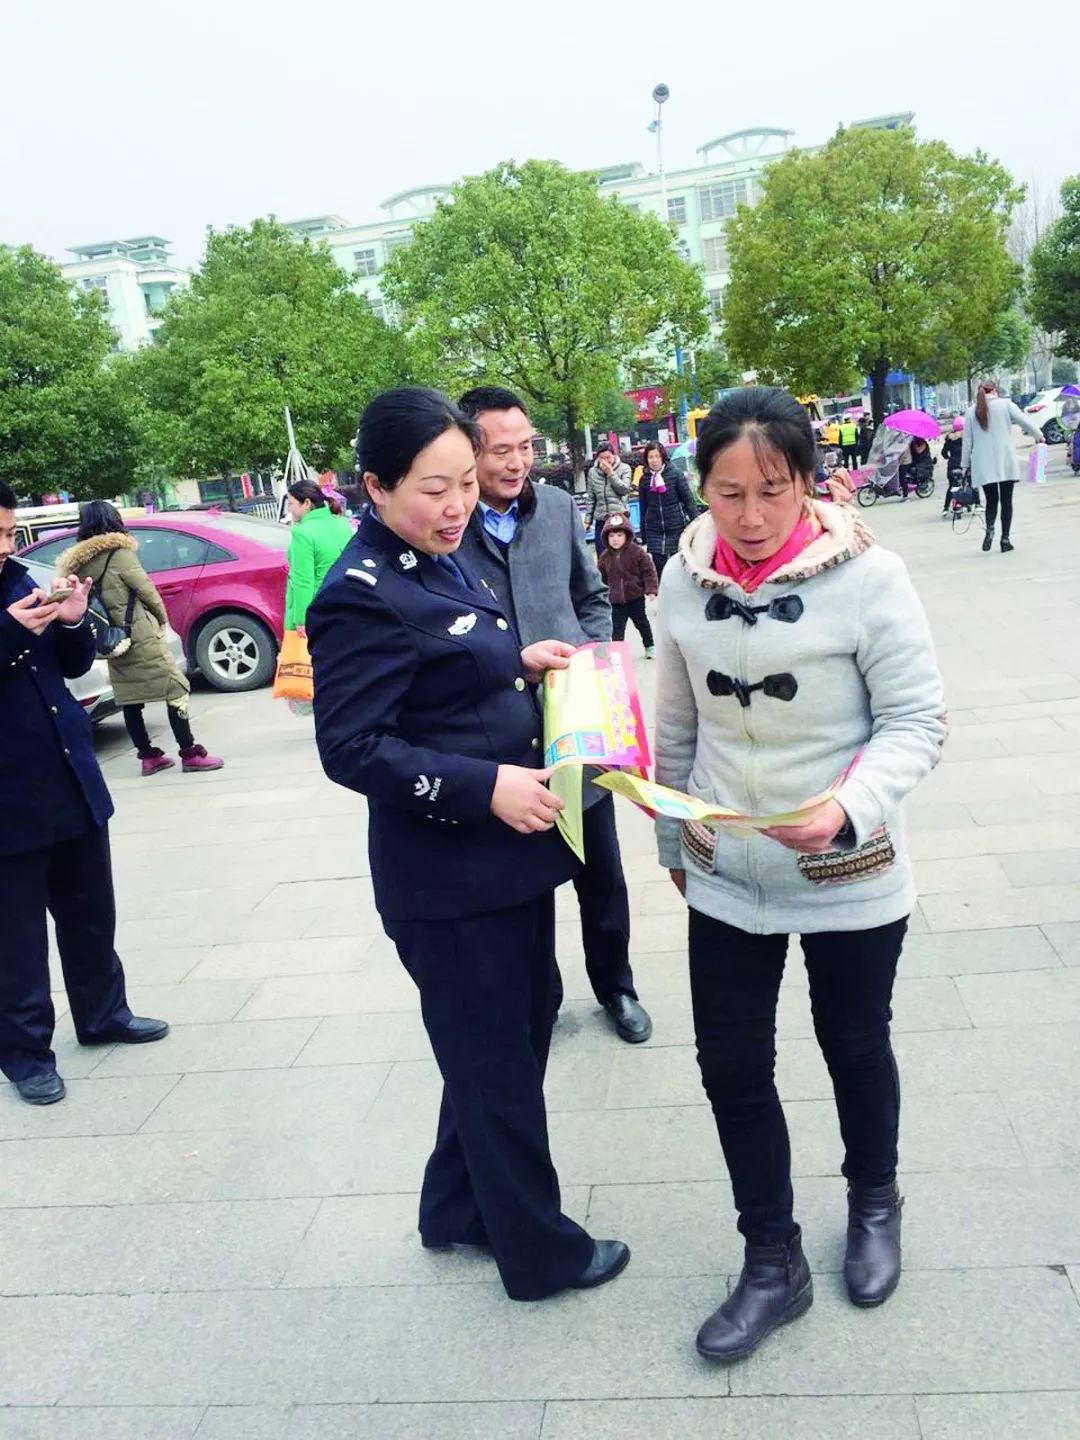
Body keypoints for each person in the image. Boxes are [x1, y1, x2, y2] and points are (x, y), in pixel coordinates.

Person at [307, 388, 629, 1302]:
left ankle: (453, 1208)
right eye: (431, 489)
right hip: (448, 883)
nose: (455, 507)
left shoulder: (439, 559)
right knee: (497, 1064)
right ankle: (539, 1254)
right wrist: (485, 785)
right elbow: (354, 748)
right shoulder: (361, 596)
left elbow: (450, 671)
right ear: (374, 486)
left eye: (462, 485)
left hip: (507, 864)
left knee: (508, 1037)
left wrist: (521, 664)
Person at [653, 387, 946, 1361]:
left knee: (853, 1041)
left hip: (849, 869)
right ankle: (772, 1260)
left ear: (807, 483)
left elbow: (917, 721)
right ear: (700, 487)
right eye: (727, 491)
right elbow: (679, 727)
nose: (747, 515)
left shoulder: (871, 577)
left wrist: (846, 808)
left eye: (770, 490)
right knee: (731, 1065)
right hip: (728, 869)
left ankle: (873, 1201)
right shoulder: (682, 580)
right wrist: (671, 847)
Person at [456, 386, 652, 1045]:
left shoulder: (561, 508)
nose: (517, 462)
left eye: (526, 447)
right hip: (502, 743)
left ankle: (616, 987)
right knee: (525, 885)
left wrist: (594, 662)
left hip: (578, 728)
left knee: (602, 875)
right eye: (500, 450)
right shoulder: (450, 528)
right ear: (468, 452)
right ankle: (542, 998)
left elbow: (590, 595)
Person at [0, 481, 169, 1106]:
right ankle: (24, 1053)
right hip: (6, 797)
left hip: (66, 774)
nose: (4, 546)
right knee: (14, 938)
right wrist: (9, 631)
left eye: (7, 532)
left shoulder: (20, 578)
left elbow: (69, 666)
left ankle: (103, 1015)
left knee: (90, 913)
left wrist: (71, 622)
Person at [58, 503, 223, 777]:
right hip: (138, 635)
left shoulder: (77, 563)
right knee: (176, 688)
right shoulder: (120, 554)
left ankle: (148, 757)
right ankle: (189, 752)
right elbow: (146, 591)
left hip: (111, 641)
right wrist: (161, 618)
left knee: (129, 698)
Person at [961, 380, 1045, 553]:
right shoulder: (1006, 404)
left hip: (983, 464)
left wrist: (965, 465)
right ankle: (1005, 539)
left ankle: (990, 529)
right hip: (1005, 461)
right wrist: (1039, 436)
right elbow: (1025, 422)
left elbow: (967, 441)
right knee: (1006, 501)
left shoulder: (970, 412)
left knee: (991, 501)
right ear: (996, 390)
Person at [284, 479, 355, 637]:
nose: (289, 510)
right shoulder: (342, 523)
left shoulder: (302, 533)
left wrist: (301, 620)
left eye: (291, 504)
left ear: (307, 503)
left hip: (316, 608)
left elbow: (303, 579)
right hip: (344, 603)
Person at [597, 513, 658, 656]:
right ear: (606, 538)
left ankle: (649, 646)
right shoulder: (604, 557)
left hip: (635, 597)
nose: (615, 539)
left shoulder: (637, 552)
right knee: (617, 629)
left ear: (627, 535)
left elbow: (648, 571)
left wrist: (651, 589)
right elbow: (600, 578)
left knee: (641, 623)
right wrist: (600, 595)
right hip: (616, 601)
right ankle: (618, 653)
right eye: (611, 536)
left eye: (619, 535)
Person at [637, 440, 698, 580]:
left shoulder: (675, 474)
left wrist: (696, 524)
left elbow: (688, 501)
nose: (654, 460)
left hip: (675, 526)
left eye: (657, 456)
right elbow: (643, 508)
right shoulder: (644, 479)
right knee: (660, 567)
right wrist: (644, 535)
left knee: (678, 566)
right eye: (650, 457)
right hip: (654, 529)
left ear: (663, 457)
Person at [584, 444, 632, 556]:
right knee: (603, 555)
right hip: (601, 519)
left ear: (614, 456)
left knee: (622, 556)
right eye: (602, 458)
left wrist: (611, 473)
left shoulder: (624, 468)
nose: (606, 461)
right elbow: (591, 498)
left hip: (619, 518)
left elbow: (624, 489)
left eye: (608, 457)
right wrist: (587, 521)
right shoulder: (593, 472)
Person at [898, 435, 934, 500]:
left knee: (904, 475)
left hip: (923, 464)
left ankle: (905, 494)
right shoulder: (910, 442)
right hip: (915, 462)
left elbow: (918, 451)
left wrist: (913, 442)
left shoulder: (923, 443)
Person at [940, 422, 965, 515]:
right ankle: (977, 503)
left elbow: (944, 453)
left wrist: (949, 457)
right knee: (968, 483)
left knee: (951, 486)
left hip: (952, 466)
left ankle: (945, 508)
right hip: (964, 465)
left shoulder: (949, 439)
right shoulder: (966, 438)